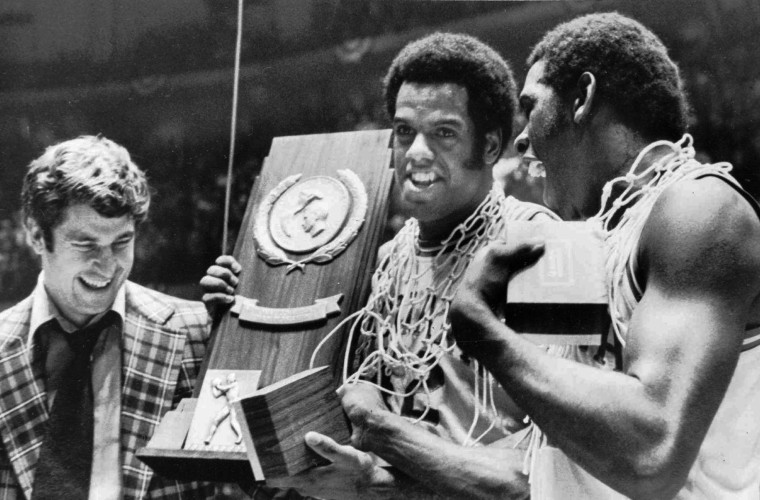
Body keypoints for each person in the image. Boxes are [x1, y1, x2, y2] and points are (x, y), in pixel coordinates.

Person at [203, 32, 562, 499]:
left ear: (491, 146)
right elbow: (349, 428)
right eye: (405, 130)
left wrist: (375, 475)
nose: (415, 152)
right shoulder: (391, 258)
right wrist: (235, 332)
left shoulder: (537, 248)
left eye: (444, 133)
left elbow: (552, 470)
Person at [449, 12, 760, 499]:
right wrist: (378, 463)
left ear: (582, 98)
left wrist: (482, 333)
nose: (522, 138)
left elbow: (651, 455)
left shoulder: (697, 208)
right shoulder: (602, 233)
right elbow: (540, 466)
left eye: (531, 106)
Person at [0, 136, 216, 499]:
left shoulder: (196, 331)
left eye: (121, 242)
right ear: (37, 235)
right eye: (85, 245)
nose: (108, 265)